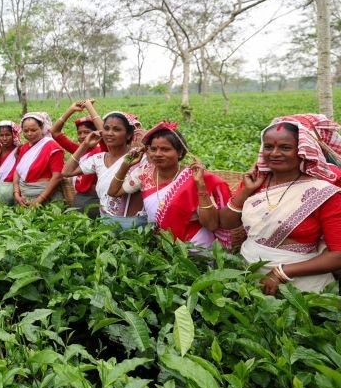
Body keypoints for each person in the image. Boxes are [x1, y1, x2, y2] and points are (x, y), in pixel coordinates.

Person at [219, 115, 341, 293]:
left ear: (302, 151)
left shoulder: (324, 193)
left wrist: (281, 272)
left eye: (285, 147)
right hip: (248, 277)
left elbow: (338, 255)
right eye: (268, 147)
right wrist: (245, 191)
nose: (274, 153)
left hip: (301, 288)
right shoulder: (257, 182)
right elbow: (227, 223)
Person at [107, 122, 232, 249]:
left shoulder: (192, 178)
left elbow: (211, 224)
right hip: (162, 245)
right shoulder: (144, 173)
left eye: (165, 149)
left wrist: (200, 185)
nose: (157, 154)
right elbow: (113, 192)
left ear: (180, 153)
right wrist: (126, 165)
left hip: (195, 245)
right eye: (153, 149)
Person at [63, 111, 146, 229]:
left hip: (133, 225)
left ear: (128, 135)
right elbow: (67, 172)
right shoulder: (99, 159)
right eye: (106, 129)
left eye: (116, 129)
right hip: (106, 222)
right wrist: (84, 145)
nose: (109, 133)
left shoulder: (138, 158)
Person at [51, 100, 103, 218]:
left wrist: (90, 108)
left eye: (87, 132)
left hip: (94, 199)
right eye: (80, 133)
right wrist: (71, 110)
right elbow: (55, 132)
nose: (83, 136)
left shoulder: (103, 151)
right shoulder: (79, 150)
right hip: (81, 198)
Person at [13, 112, 65, 206]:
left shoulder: (53, 147)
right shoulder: (24, 148)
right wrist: (16, 194)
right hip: (24, 197)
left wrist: (39, 200)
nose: (29, 134)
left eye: (33, 130)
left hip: (47, 197)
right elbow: (17, 171)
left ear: (41, 128)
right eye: (25, 131)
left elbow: (57, 177)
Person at [0, 120, 20, 204]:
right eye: (1, 135)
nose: (4, 138)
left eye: (8, 135)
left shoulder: (19, 150)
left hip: (15, 191)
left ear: (13, 135)